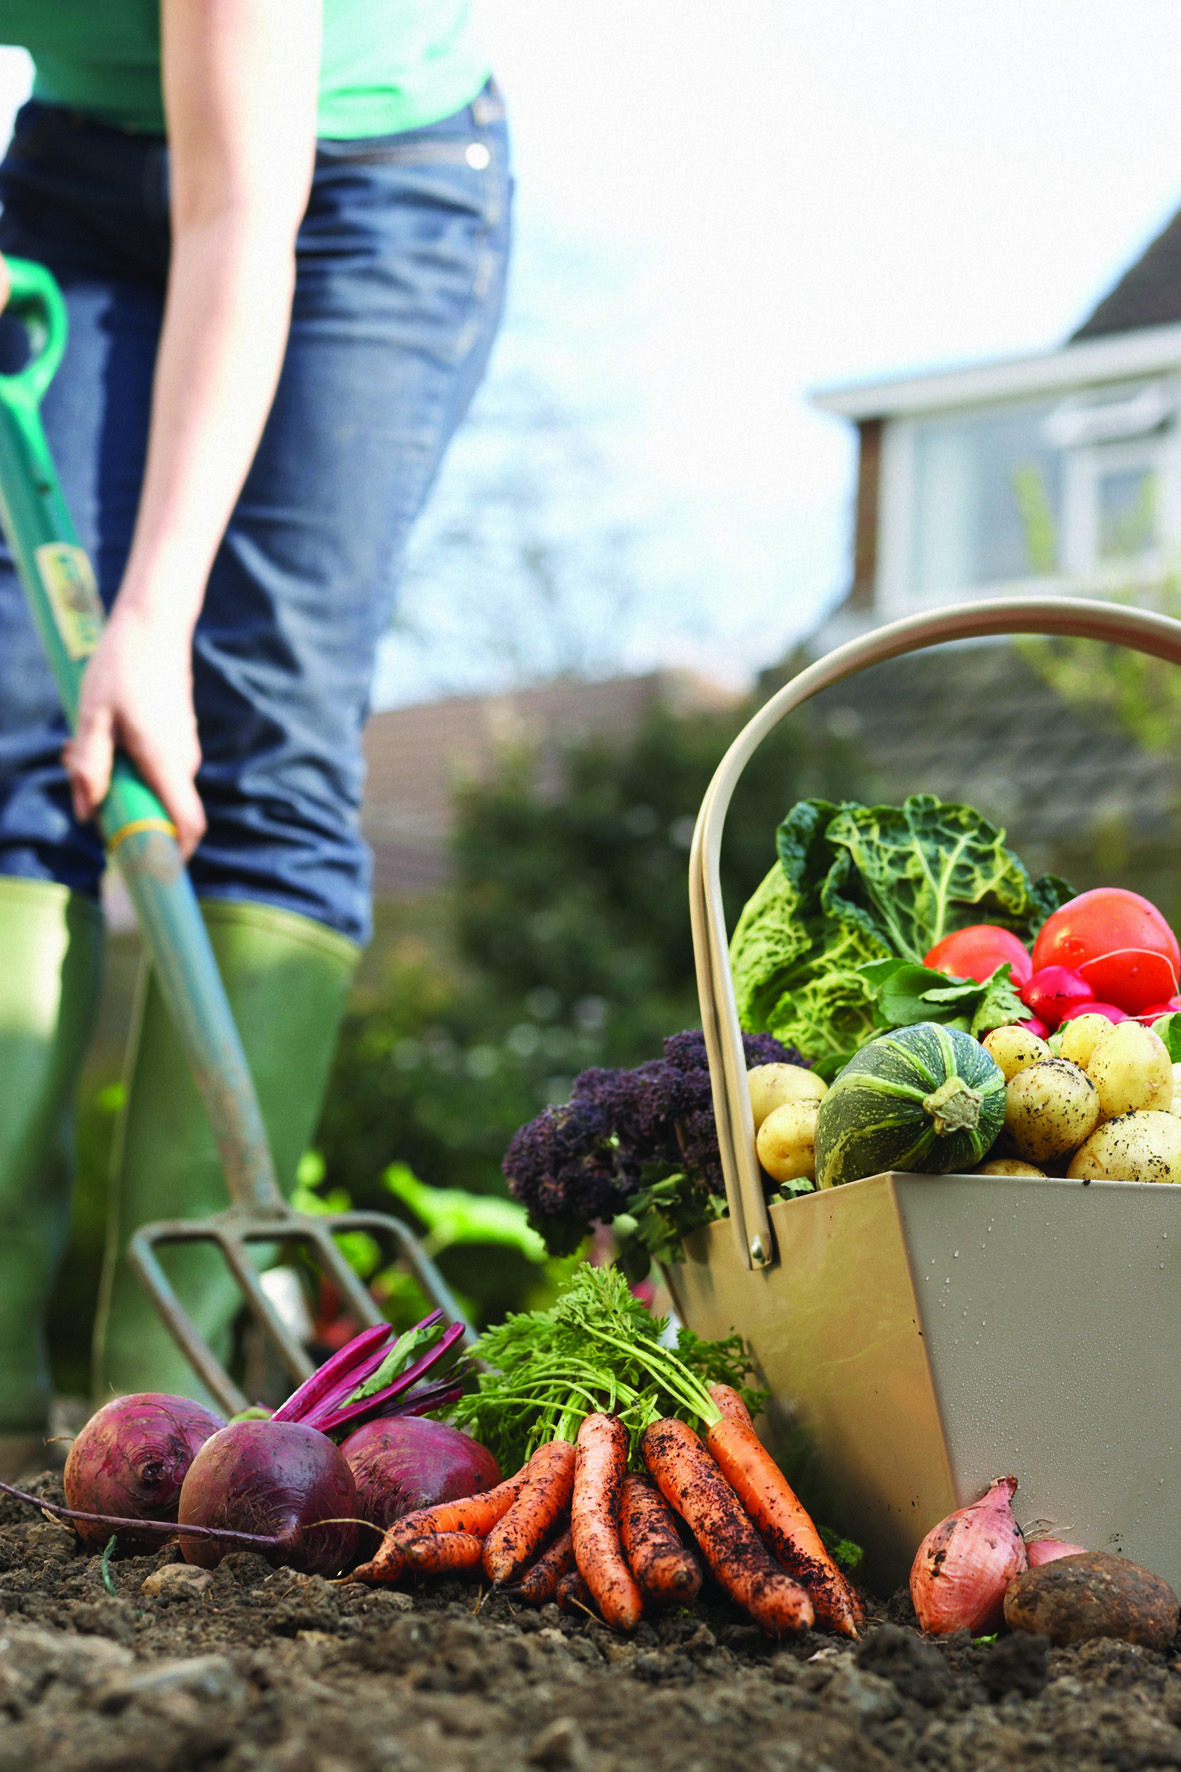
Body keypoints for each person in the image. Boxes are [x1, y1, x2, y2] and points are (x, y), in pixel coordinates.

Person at [0, 0, 512, 1471]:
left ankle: (155, 1428)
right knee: (17, 724)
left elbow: (238, 217)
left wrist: (148, 619)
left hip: (363, 185)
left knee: (262, 721)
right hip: (75, 167)